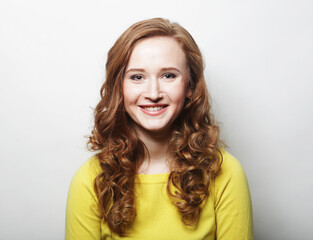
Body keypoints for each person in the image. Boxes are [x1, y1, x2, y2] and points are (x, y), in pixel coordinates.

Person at [65, 18, 253, 240]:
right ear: (120, 88)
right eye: (137, 77)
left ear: (190, 87)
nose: (153, 93)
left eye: (168, 75)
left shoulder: (225, 172)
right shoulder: (90, 179)